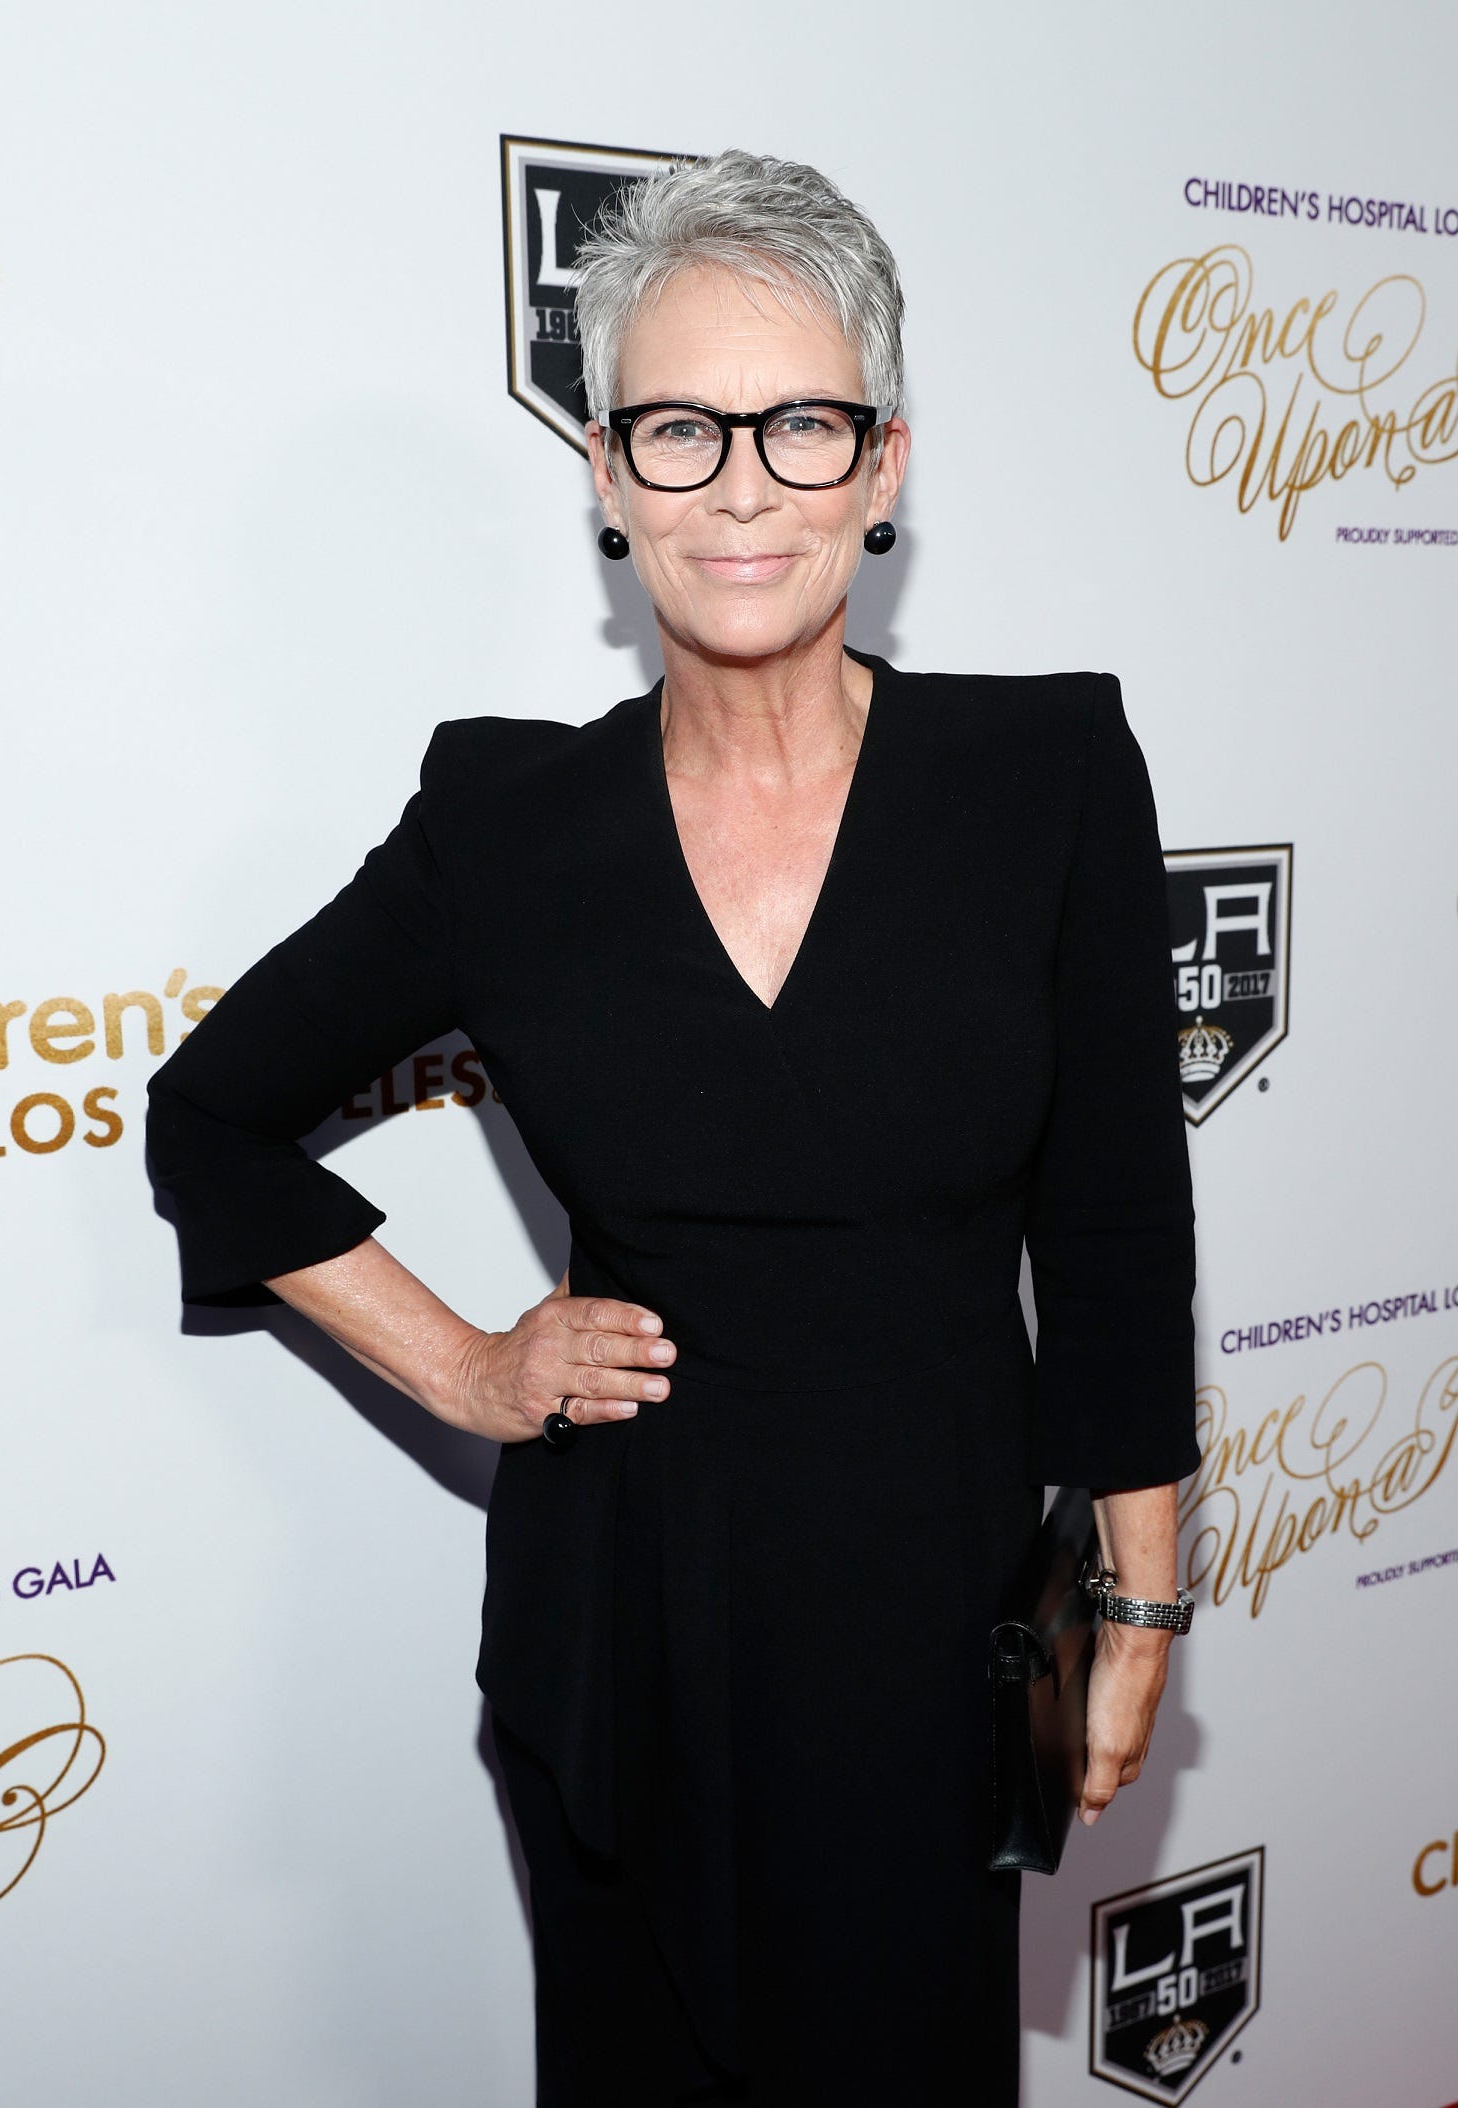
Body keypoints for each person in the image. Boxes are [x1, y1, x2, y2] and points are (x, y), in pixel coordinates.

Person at [145, 149, 1199, 2106]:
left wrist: (1138, 1602)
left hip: (931, 1629)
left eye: (800, 425)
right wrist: (464, 1363)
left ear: (881, 467)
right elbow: (208, 1120)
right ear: (609, 477)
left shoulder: (1044, 771)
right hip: (621, 1634)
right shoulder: (505, 822)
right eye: (678, 428)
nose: (739, 485)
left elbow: (1120, 1224)